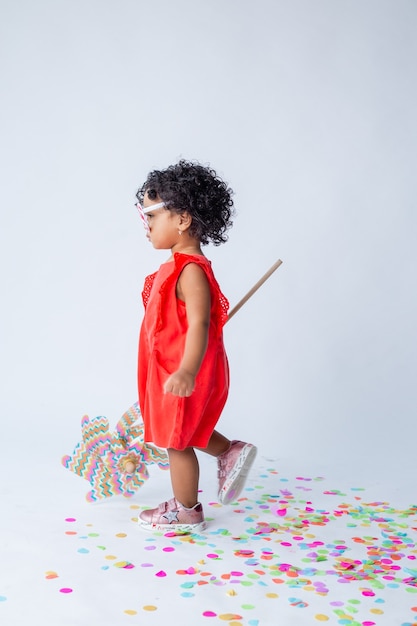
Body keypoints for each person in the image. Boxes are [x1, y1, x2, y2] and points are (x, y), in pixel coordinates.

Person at [135, 160, 257, 533]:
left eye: (151, 215)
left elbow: (201, 323)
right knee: (186, 428)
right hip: (169, 365)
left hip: (182, 366)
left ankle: (186, 511)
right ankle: (229, 451)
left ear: (182, 220)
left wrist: (187, 370)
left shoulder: (190, 270)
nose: (146, 224)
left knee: (177, 440)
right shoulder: (177, 266)